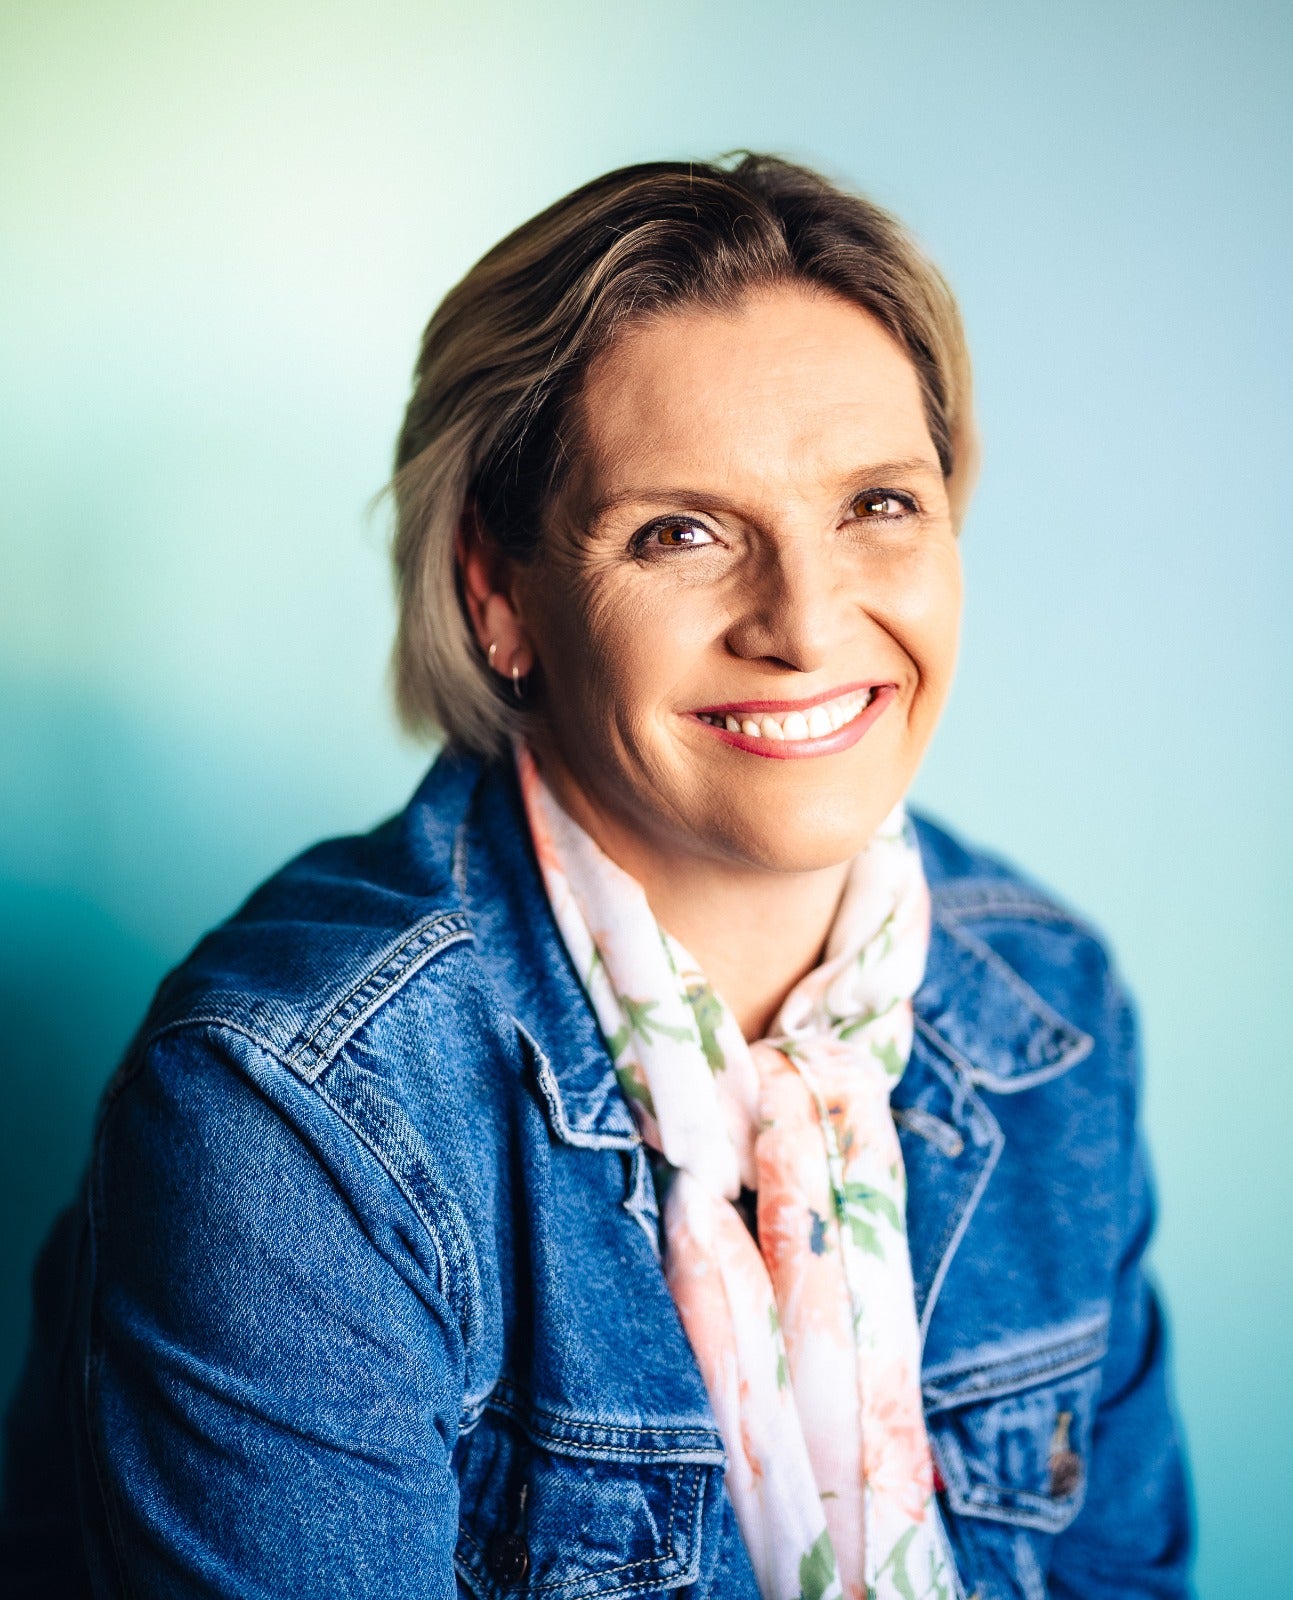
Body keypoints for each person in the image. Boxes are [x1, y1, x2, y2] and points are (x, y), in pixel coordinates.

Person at [0, 154, 1191, 1600]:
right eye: (679, 533)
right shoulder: (286, 1112)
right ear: (500, 594)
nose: (808, 625)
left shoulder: (1049, 1003)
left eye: (877, 504)